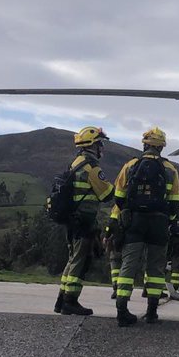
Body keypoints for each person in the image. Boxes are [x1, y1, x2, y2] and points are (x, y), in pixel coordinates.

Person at [110, 126, 179, 327]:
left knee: (129, 265)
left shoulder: (130, 165)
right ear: (161, 147)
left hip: (135, 222)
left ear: (145, 144)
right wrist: (167, 219)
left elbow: (118, 196)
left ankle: (122, 310)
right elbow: (175, 201)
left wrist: (127, 215)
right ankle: (151, 312)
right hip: (158, 223)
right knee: (156, 267)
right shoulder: (170, 169)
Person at [54, 125, 115, 316]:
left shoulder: (76, 163)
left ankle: (61, 300)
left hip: (72, 221)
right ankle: (70, 301)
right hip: (84, 221)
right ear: (93, 145)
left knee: (72, 259)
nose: (102, 149)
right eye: (100, 144)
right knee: (81, 261)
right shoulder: (91, 167)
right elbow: (106, 194)